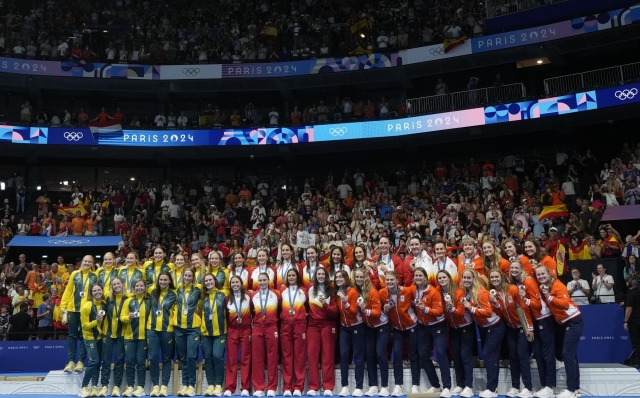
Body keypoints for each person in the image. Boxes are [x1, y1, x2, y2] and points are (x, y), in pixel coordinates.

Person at [535, 264, 583, 398]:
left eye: (543, 274)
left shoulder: (558, 285)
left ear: (549, 273)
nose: (541, 276)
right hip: (564, 323)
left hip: (573, 321)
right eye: (538, 275)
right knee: (571, 356)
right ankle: (576, 389)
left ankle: (571, 390)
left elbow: (565, 304)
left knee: (567, 354)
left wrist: (549, 297)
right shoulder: (545, 287)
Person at [488, 269, 534, 398]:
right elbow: (501, 312)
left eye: (497, 277)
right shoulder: (494, 293)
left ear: (502, 277)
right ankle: (515, 387)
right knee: (512, 356)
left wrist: (529, 328)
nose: (495, 279)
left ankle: (528, 388)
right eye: (492, 277)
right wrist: (495, 303)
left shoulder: (512, 289)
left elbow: (524, 307)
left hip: (522, 327)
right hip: (510, 328)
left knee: (522, 355)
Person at [460, 269, 503, 398]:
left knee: (488, 355)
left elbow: (488, 312)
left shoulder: (482, 293)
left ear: (474, 279)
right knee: (491, 357)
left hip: (495, 327)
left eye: (469, 277)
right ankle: (493, 388)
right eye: (464, 278)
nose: (466, 280)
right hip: (484, 328)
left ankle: (492, 388)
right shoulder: (467, 293)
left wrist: (471, 308)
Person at [379, 271, 420, 396]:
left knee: (413, 356)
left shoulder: (407, 291)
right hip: (397, 328)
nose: (390, 282)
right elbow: (383, 313)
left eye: (392, 280)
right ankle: (398, 385)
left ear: (397, 280)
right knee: (397, 355)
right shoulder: (382, 293)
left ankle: (415, 385)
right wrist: (385, 310)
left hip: (412, 325)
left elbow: (417, 304)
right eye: (387, 280)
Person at [413, 267, 451, 397]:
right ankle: (435, 386)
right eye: (416, 275)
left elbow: (439, 311)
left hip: (437, 326)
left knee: (440, 353)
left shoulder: (433, 292)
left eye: (420, 276)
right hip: (422, 327)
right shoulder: (414, 290)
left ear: (425, 277)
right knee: (423, 355)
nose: (418, 278)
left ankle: (447, 387)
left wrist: (426, 309)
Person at [436, 270, 474, 398]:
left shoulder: (458, 292)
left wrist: (451, 308)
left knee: (465, 356)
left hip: (465, 327)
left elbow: (461, 313)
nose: (442, 280)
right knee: (456, 356)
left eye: (444, 277)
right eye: (439, 278)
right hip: (453, 328)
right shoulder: (438, 292)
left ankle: (469, 386)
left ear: (449, 278)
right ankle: (460, 384)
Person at [61, 255, 98, 373]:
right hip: (73, 308)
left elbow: (96, 292)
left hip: (86, 311)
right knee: (72, 336)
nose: (87, 263)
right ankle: (71, 361)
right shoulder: (74, 274)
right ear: (81, 262)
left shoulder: (94, 276)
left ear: (92, 264)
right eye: (85, 261)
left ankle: (81, 362)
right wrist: (63, 306)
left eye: (89, 262)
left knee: (84, 336)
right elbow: (68, 290)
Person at [307, 267, 338, 396]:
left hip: (327, 324)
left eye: (322, 274)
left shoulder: (332, 291)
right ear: (315, 276)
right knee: (313, 357)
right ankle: (313, 387)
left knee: (327, 356)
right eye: (318, 274)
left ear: (326, 276)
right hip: (313, 325)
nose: (320, 276)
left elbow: (336, 313)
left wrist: (325, 304)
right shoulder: (310, 290)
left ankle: (328, 387)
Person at [335, 270, 365, 397]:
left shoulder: (353, 292)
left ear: (346, 278)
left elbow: (353, 312)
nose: (338, 279)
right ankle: (345, 386)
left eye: (341, 277)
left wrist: (345, 301)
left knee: (358, 357)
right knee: (344, 355)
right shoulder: (337, 292)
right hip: (344, 328)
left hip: (356, 326)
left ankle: (359, 387)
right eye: (336, 277)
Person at [147, 272, 177, 397]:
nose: (163, 282)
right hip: (152, 329)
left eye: (165, 280)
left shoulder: (174, 294)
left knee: (166, 359)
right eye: (161, 280)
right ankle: (155, 386)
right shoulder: (152, 292)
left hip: (167, 330)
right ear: (158, 281)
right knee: (153, 358)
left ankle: (164, 386)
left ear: (170, 281)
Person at [251, 272, 281, 397]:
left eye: (264, 280)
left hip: (271, 327)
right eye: (260, 280)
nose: (262, 282)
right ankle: (259, 387)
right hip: (258, 327)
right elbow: (252, 313)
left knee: (272, 357)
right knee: (257, 358)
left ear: (269, 281)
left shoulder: (276, 295)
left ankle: (272, 388)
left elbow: (280, 310)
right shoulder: (254, 296)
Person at [199, 273, 228, 396]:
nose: (208, 282)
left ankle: (218, 386)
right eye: (206, 281)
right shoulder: (202, 297)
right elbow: (199, 313)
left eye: (210, 280)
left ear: (215, 281)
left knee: (217, 356)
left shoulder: (223, 294)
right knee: (208, 359)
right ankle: (210, 385)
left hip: (220, 332)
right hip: (206, 333)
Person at [175, 268, 202, 397]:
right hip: (179, 328)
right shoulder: (177, 290)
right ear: (182, 276)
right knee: (183, 358)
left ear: (193, 277)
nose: (187, 277)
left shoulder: (198, 290)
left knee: (191, 356)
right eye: (185, 275)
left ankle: (191, 385)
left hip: (193, 328)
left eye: (189, 276)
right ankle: (184, 385)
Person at [120, 279, 150, 398]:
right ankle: (130, 386)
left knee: (141, 362)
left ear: (145, 287)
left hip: (143, 336)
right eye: (137, 286)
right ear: (133, 288)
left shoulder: (149, 300)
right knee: (130, 362)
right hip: (129, 336)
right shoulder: (128, 301)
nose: (139, 288)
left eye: (141, 286)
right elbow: (122, 317)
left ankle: (140, 387)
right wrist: (128, 317)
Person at [280, 268, 307, 396]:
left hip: (299, 326)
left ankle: (298, 387)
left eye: (293, 275)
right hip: (285, 326)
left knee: (299, 356)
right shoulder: (281, 291)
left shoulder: (304, 291)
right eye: (289, 275)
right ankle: (287, 387)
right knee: (286, 356)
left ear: (297, 277)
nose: (291, 277)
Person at [223, 275, 251, 397]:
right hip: (232, 330)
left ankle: (245, 387)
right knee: (231, 359)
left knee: (246, 358)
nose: (235, 284)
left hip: (246, 330)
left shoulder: (249, 298)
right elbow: (225, 316)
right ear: (230, 285)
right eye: (232, 282)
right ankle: (230, 387)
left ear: (241, 283)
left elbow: (254, 313)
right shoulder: (227, 299)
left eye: (237, 282)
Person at [78, 283, 106, 398]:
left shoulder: (104, 305)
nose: (97, 292)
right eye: (94, 291)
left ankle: (94, 386)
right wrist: (97, 322)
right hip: (89, 337)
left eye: (99, 290)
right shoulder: (86, 307)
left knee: (98, 362)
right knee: (94, 361)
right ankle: (83, 387)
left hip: (100, 337)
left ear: (103, 291)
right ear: (91, 293)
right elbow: (84, 326)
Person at [99, 278, 126, 397]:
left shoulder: (128, 298)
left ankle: (117, 386)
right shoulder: (108, 299)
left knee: (119, 360)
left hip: (122, 333)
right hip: (108, 333)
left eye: (118, 283)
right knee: (106, 360)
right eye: (114, 284)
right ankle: (104, 386)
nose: (116, 286)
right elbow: (102, 311)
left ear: (122, 284)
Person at [624, 279, 640, 366]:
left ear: (630, 285)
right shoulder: (638, 293)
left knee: (636, 342)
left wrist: (625, 321)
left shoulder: (630, 294)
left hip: (634, 321)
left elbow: (629, 308)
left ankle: (637, 362)